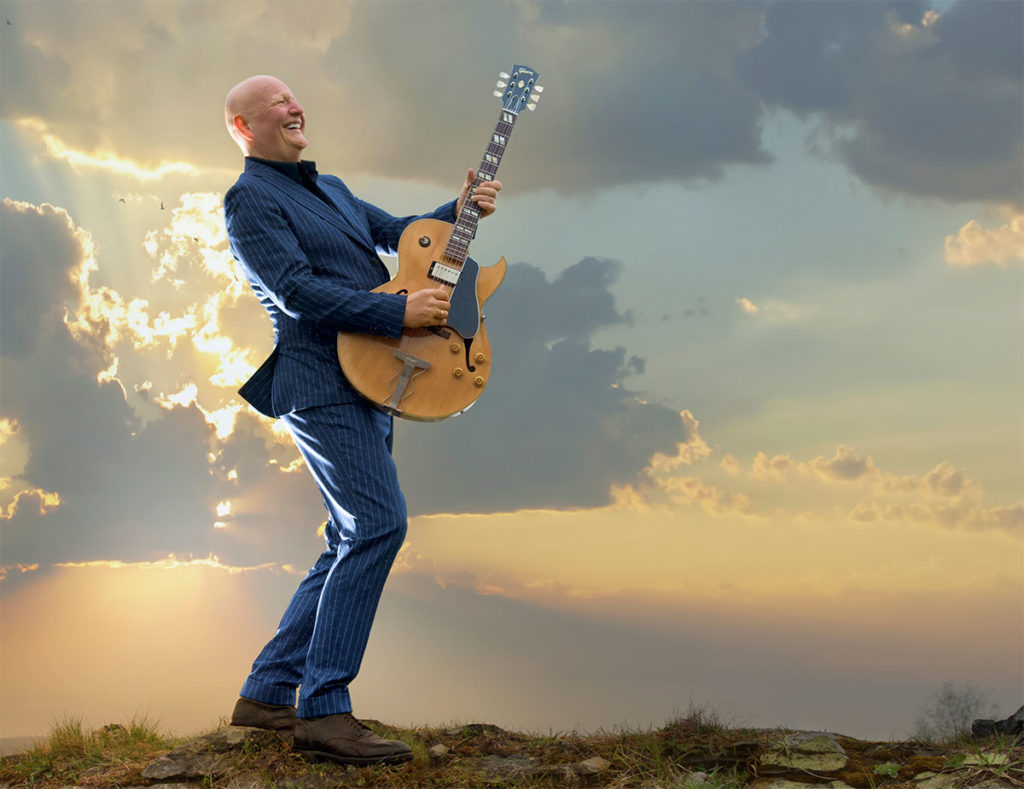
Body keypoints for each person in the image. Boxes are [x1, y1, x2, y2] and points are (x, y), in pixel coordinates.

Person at [221, 75, 501, 766]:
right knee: (379, 522)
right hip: (319, 380)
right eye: (276, 104)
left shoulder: (334, 189)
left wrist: (459, 207)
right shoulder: (248, 198)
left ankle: (265, 693)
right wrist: (394, 313)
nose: (294, 106)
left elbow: (403, 235)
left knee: (347, 533)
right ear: (243, 127)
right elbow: (293, 290)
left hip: (378, 379)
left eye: (295, 99)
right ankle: (323, 709)